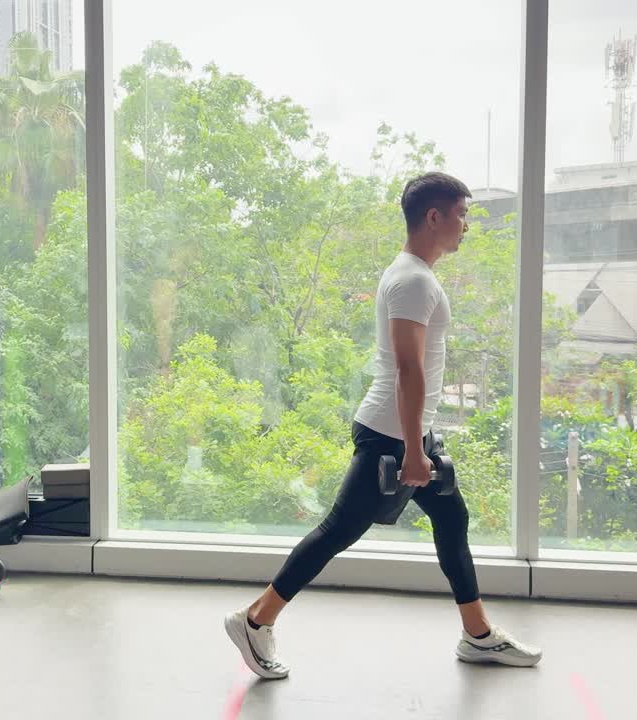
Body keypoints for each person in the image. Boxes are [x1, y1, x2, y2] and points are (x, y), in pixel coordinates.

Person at [223, 172, 542, 679]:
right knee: (336, 531)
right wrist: (415, 450)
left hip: (409, 431)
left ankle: (478, 635)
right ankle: (255, 620)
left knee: (451, 519)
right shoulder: (413, 280)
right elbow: (406, 369)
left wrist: (421, 440)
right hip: (392, 436)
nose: (466, 227)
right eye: (461, 215)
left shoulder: (416, 275)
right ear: (433, 217)